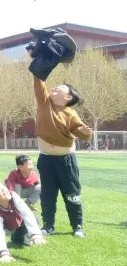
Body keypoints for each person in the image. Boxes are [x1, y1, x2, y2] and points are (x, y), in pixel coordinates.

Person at [32, 75, 92, 237]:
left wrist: (85, 133)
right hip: (46, 160)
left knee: (72, 193)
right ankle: (48, 225)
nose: (55, 87)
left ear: (68, 97)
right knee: (47, 194)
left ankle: (77, 226)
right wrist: (40, 67)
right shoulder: (44, 102)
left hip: (66, 161)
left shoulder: (71, 113)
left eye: (60, 87)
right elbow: (38, 81)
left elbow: (81, 133)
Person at [0, 178, 47, 263]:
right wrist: (4, 253)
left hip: (13, 218)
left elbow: (27, 213)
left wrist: (35, 235)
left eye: (2, 185)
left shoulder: (13, 195)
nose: (3, 189)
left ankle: (17, 238)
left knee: (34, 219)